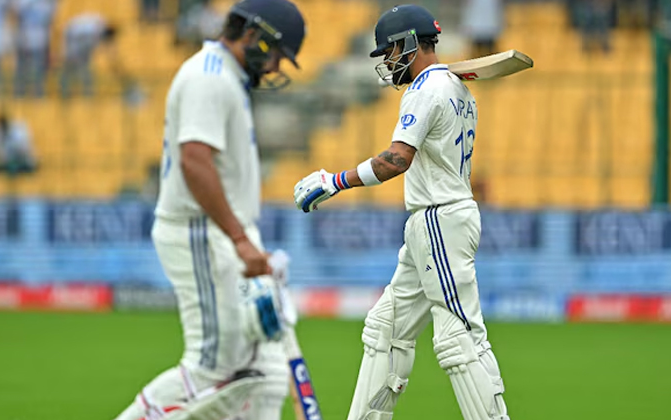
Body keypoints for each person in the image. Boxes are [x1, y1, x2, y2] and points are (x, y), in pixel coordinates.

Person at [293, 5, 510, 420]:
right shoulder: (458, 88)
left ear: (410, 43)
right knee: (385, 329)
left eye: (390, 51)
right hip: (434, 221)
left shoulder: (427, 88)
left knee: (459, 340)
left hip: (439, 219)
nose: (389, 62)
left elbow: (396, 159)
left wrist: (333, 181)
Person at [113, 1, 305, 419]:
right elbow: (195, 160)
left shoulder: (226, 79)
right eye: (276, 54)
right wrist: (239, 238)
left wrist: (246, 237)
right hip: (201, 230)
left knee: (267, 371)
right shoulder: (210, 77)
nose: (274, 68)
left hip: (221, 231)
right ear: (254, 36)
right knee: (213, 367)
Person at [59, 13, 119, 98]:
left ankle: (87, 93)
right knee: (69, 68)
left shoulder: (99, 27)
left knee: (85, 69)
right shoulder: (96, 27)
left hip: (81, 45)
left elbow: (101, 46)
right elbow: (73, 34)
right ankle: (65, 91)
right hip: (72, 40)